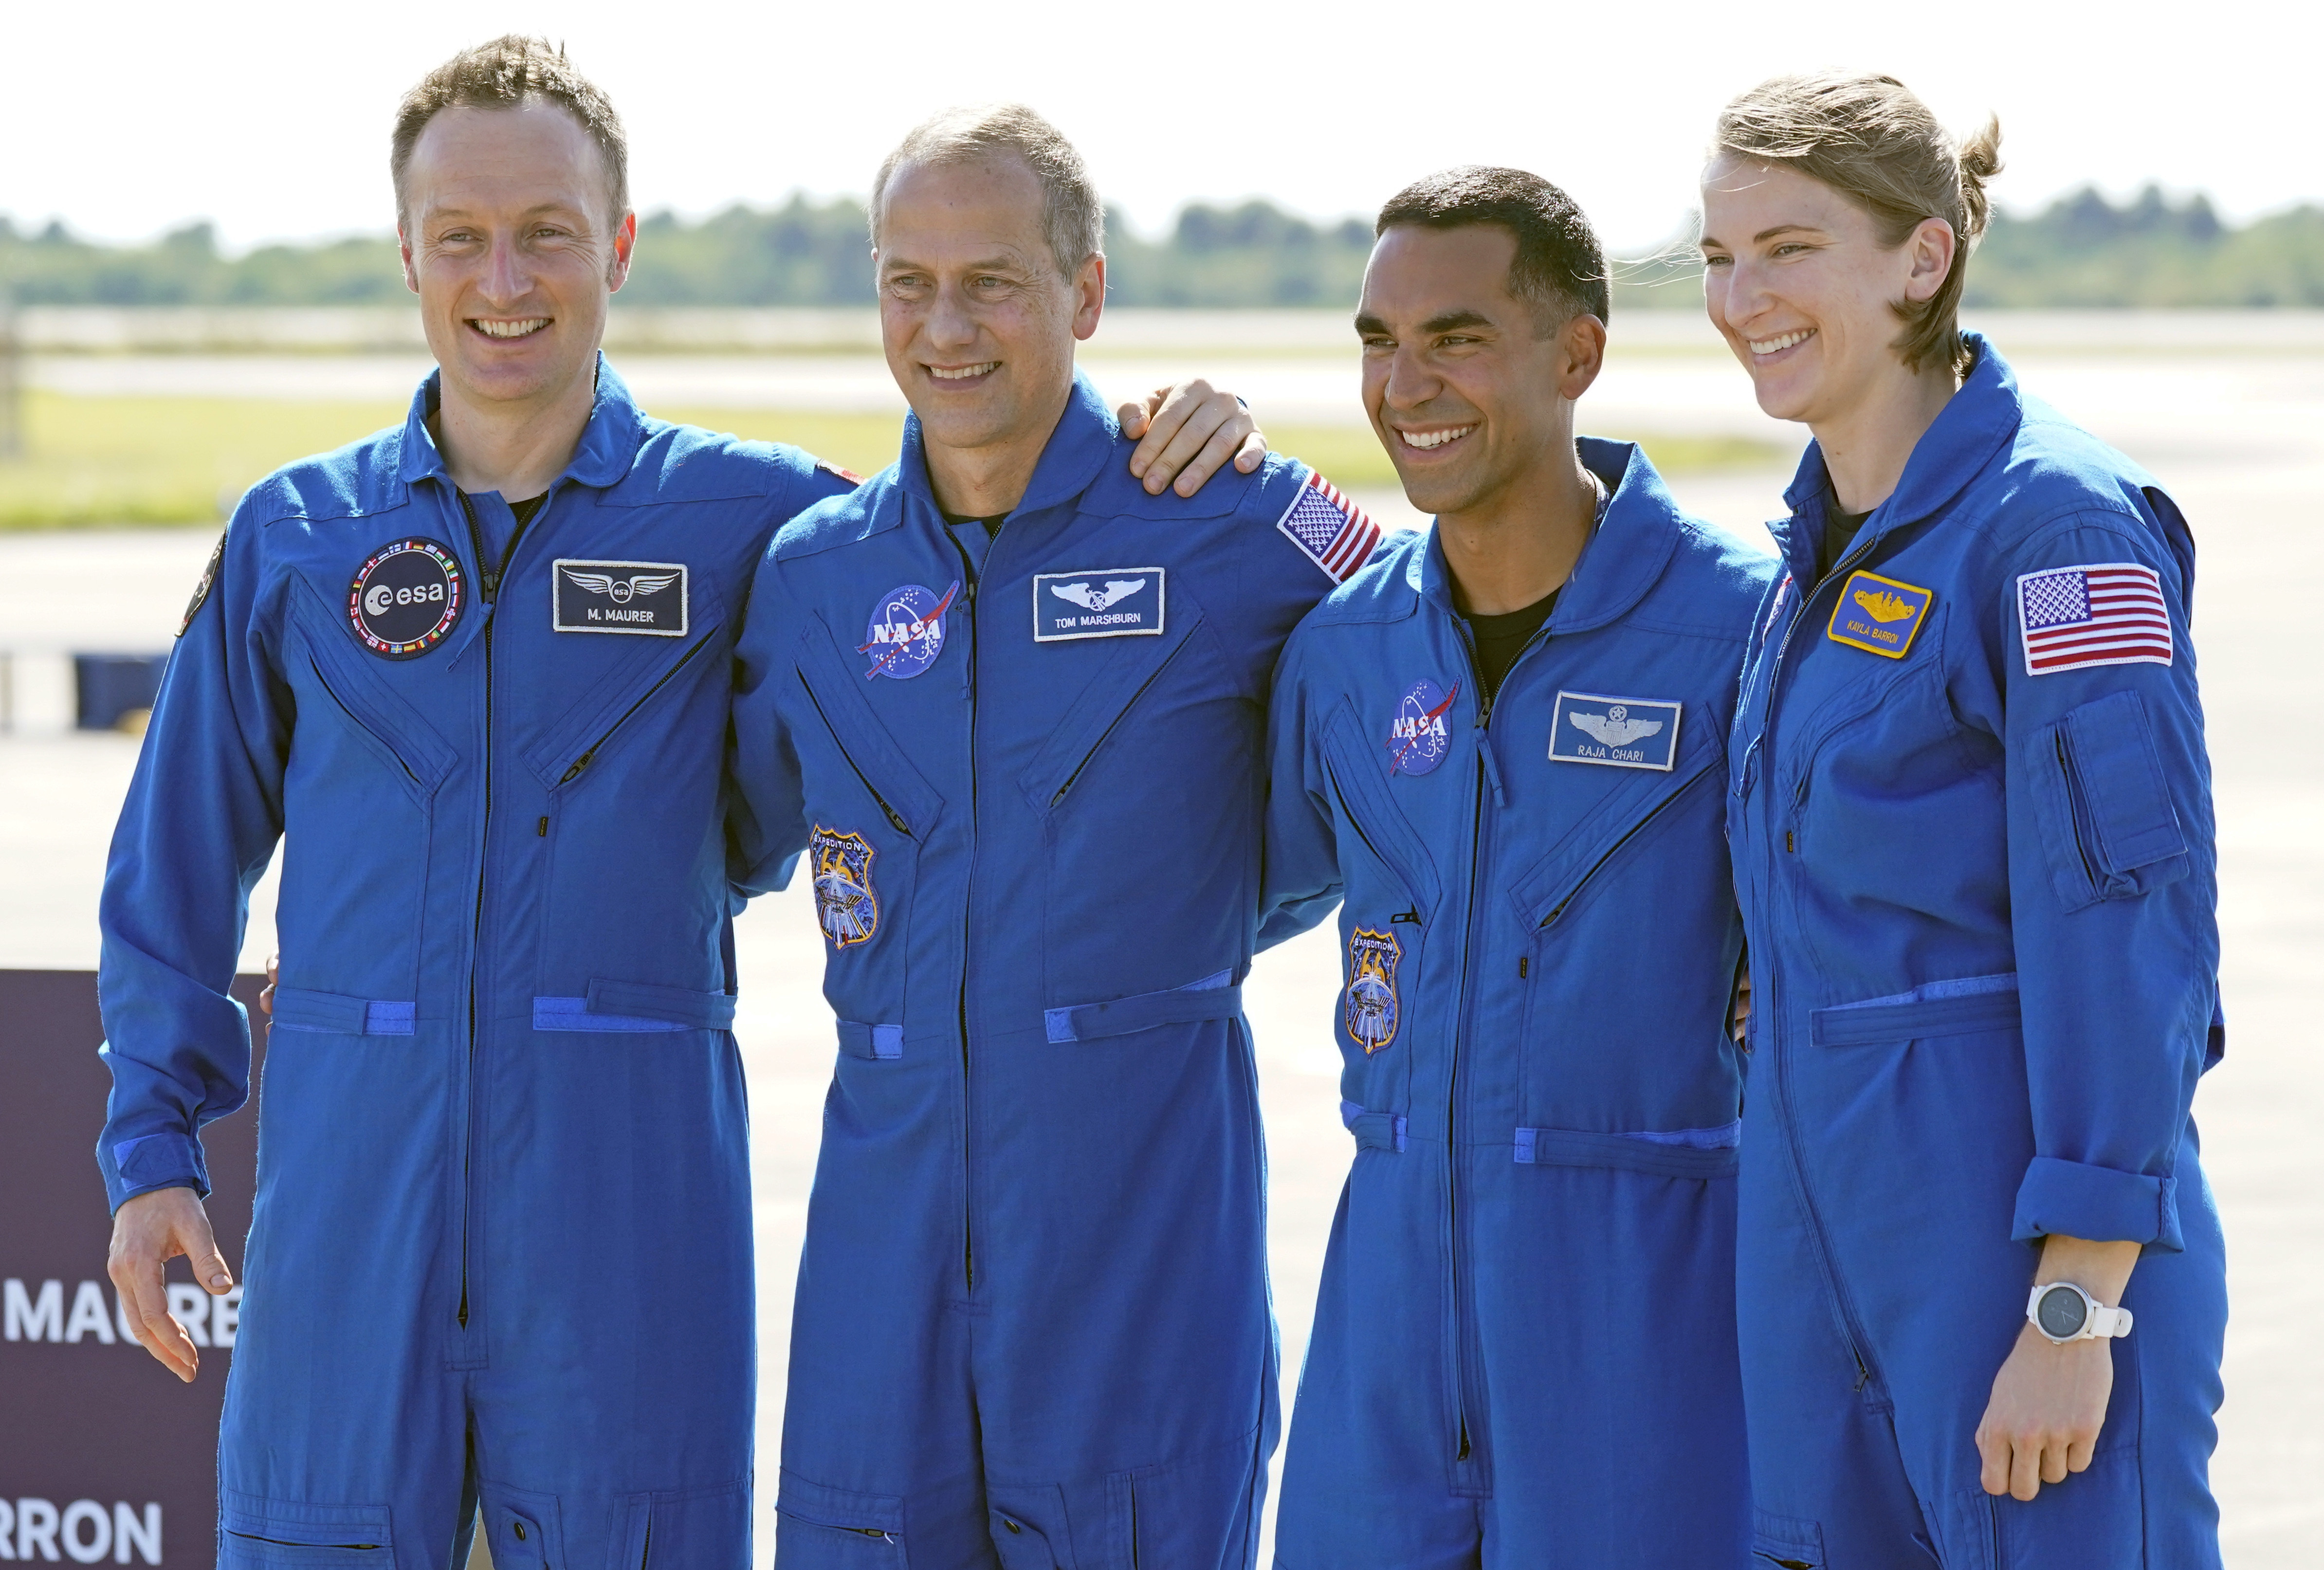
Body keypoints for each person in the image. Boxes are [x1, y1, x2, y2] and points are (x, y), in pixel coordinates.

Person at [94, 38, 1261, 1570]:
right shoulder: (296, 539)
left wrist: (1171, 440)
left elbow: (983, 533)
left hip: (625, 1235)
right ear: (408, 253)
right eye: (462, 237)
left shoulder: (761, 521)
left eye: (549, 234)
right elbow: (177, 857)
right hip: (347, 1238)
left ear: (620, 246)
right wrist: (154, 1146)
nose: (503, 279)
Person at [728, 104, 1378, 1567]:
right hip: (876, 1277)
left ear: (1086, 294)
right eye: (909, 281)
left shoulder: (1226, 520)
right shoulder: (816, 578)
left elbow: (1447, 664)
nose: (945, 326)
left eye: (993, 281)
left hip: (1141, 1268)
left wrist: (1226, 905)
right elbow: (698, 831)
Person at [1700, 73, 2227, 1568]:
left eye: (1789, 247)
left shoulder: (2053, 529)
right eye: (1721, 255)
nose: (1743, 297)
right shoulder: (1811, 558)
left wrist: (2077, 1301)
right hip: (1827, 1283)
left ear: (1921, 259)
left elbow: (2132, 922)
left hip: (2019, 1294)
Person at [1257, 168, 1771, 1569]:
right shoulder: (1346, 654)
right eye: (1378, 339)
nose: (1405, 383)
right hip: (1387, 1339)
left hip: (1649, 1334)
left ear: (1578, 355)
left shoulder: (1742, 636)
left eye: (1459, 337)